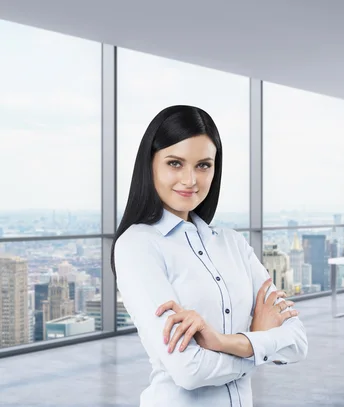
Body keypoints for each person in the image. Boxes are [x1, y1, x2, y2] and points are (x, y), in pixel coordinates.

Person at [111, 105, 308, 407]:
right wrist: (258, 343)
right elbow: (189, 370)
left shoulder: (233, 244)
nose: (190, 180)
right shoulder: (138, 246)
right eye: (175, 163)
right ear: (149, 165)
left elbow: (297, 342)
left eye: (203, 165)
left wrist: (222, 342)